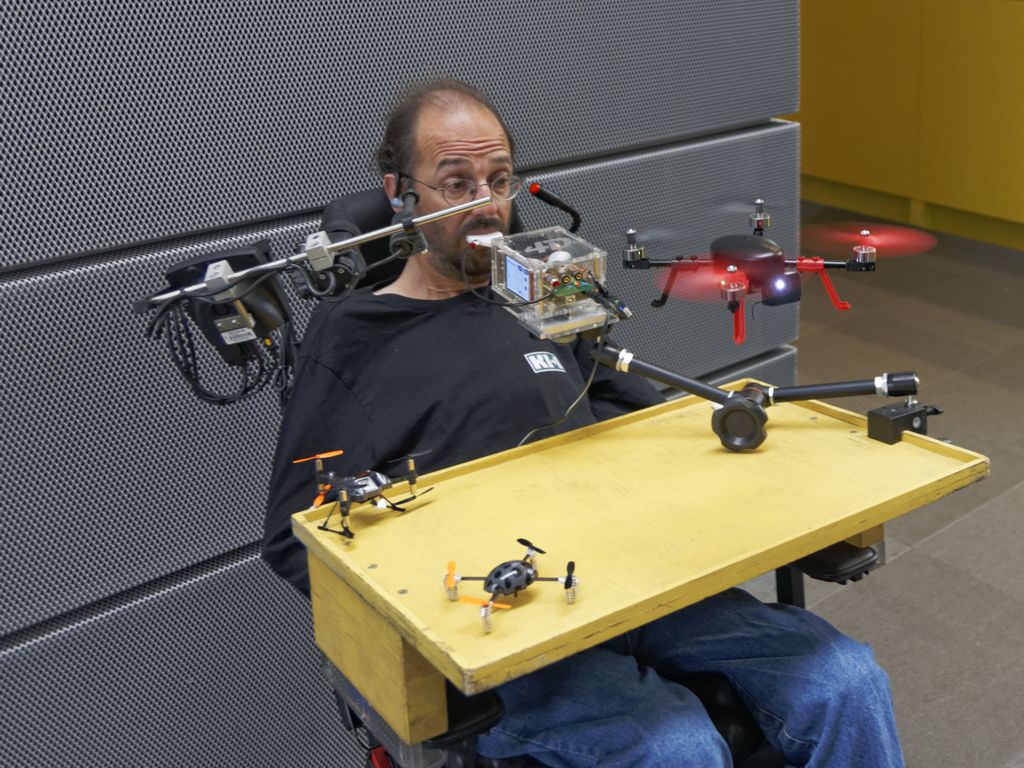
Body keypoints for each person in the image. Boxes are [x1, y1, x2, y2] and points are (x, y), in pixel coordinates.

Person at [262, 78, 904, 768]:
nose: (487, 204)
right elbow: (297, 537)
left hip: (627, 577)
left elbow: (631, 411)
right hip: (505, 622)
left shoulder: (545, 288)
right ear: (399, 193)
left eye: (499, 179)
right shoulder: (358, 335)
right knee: (675, 747)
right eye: (456, 183)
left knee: (845, 679)